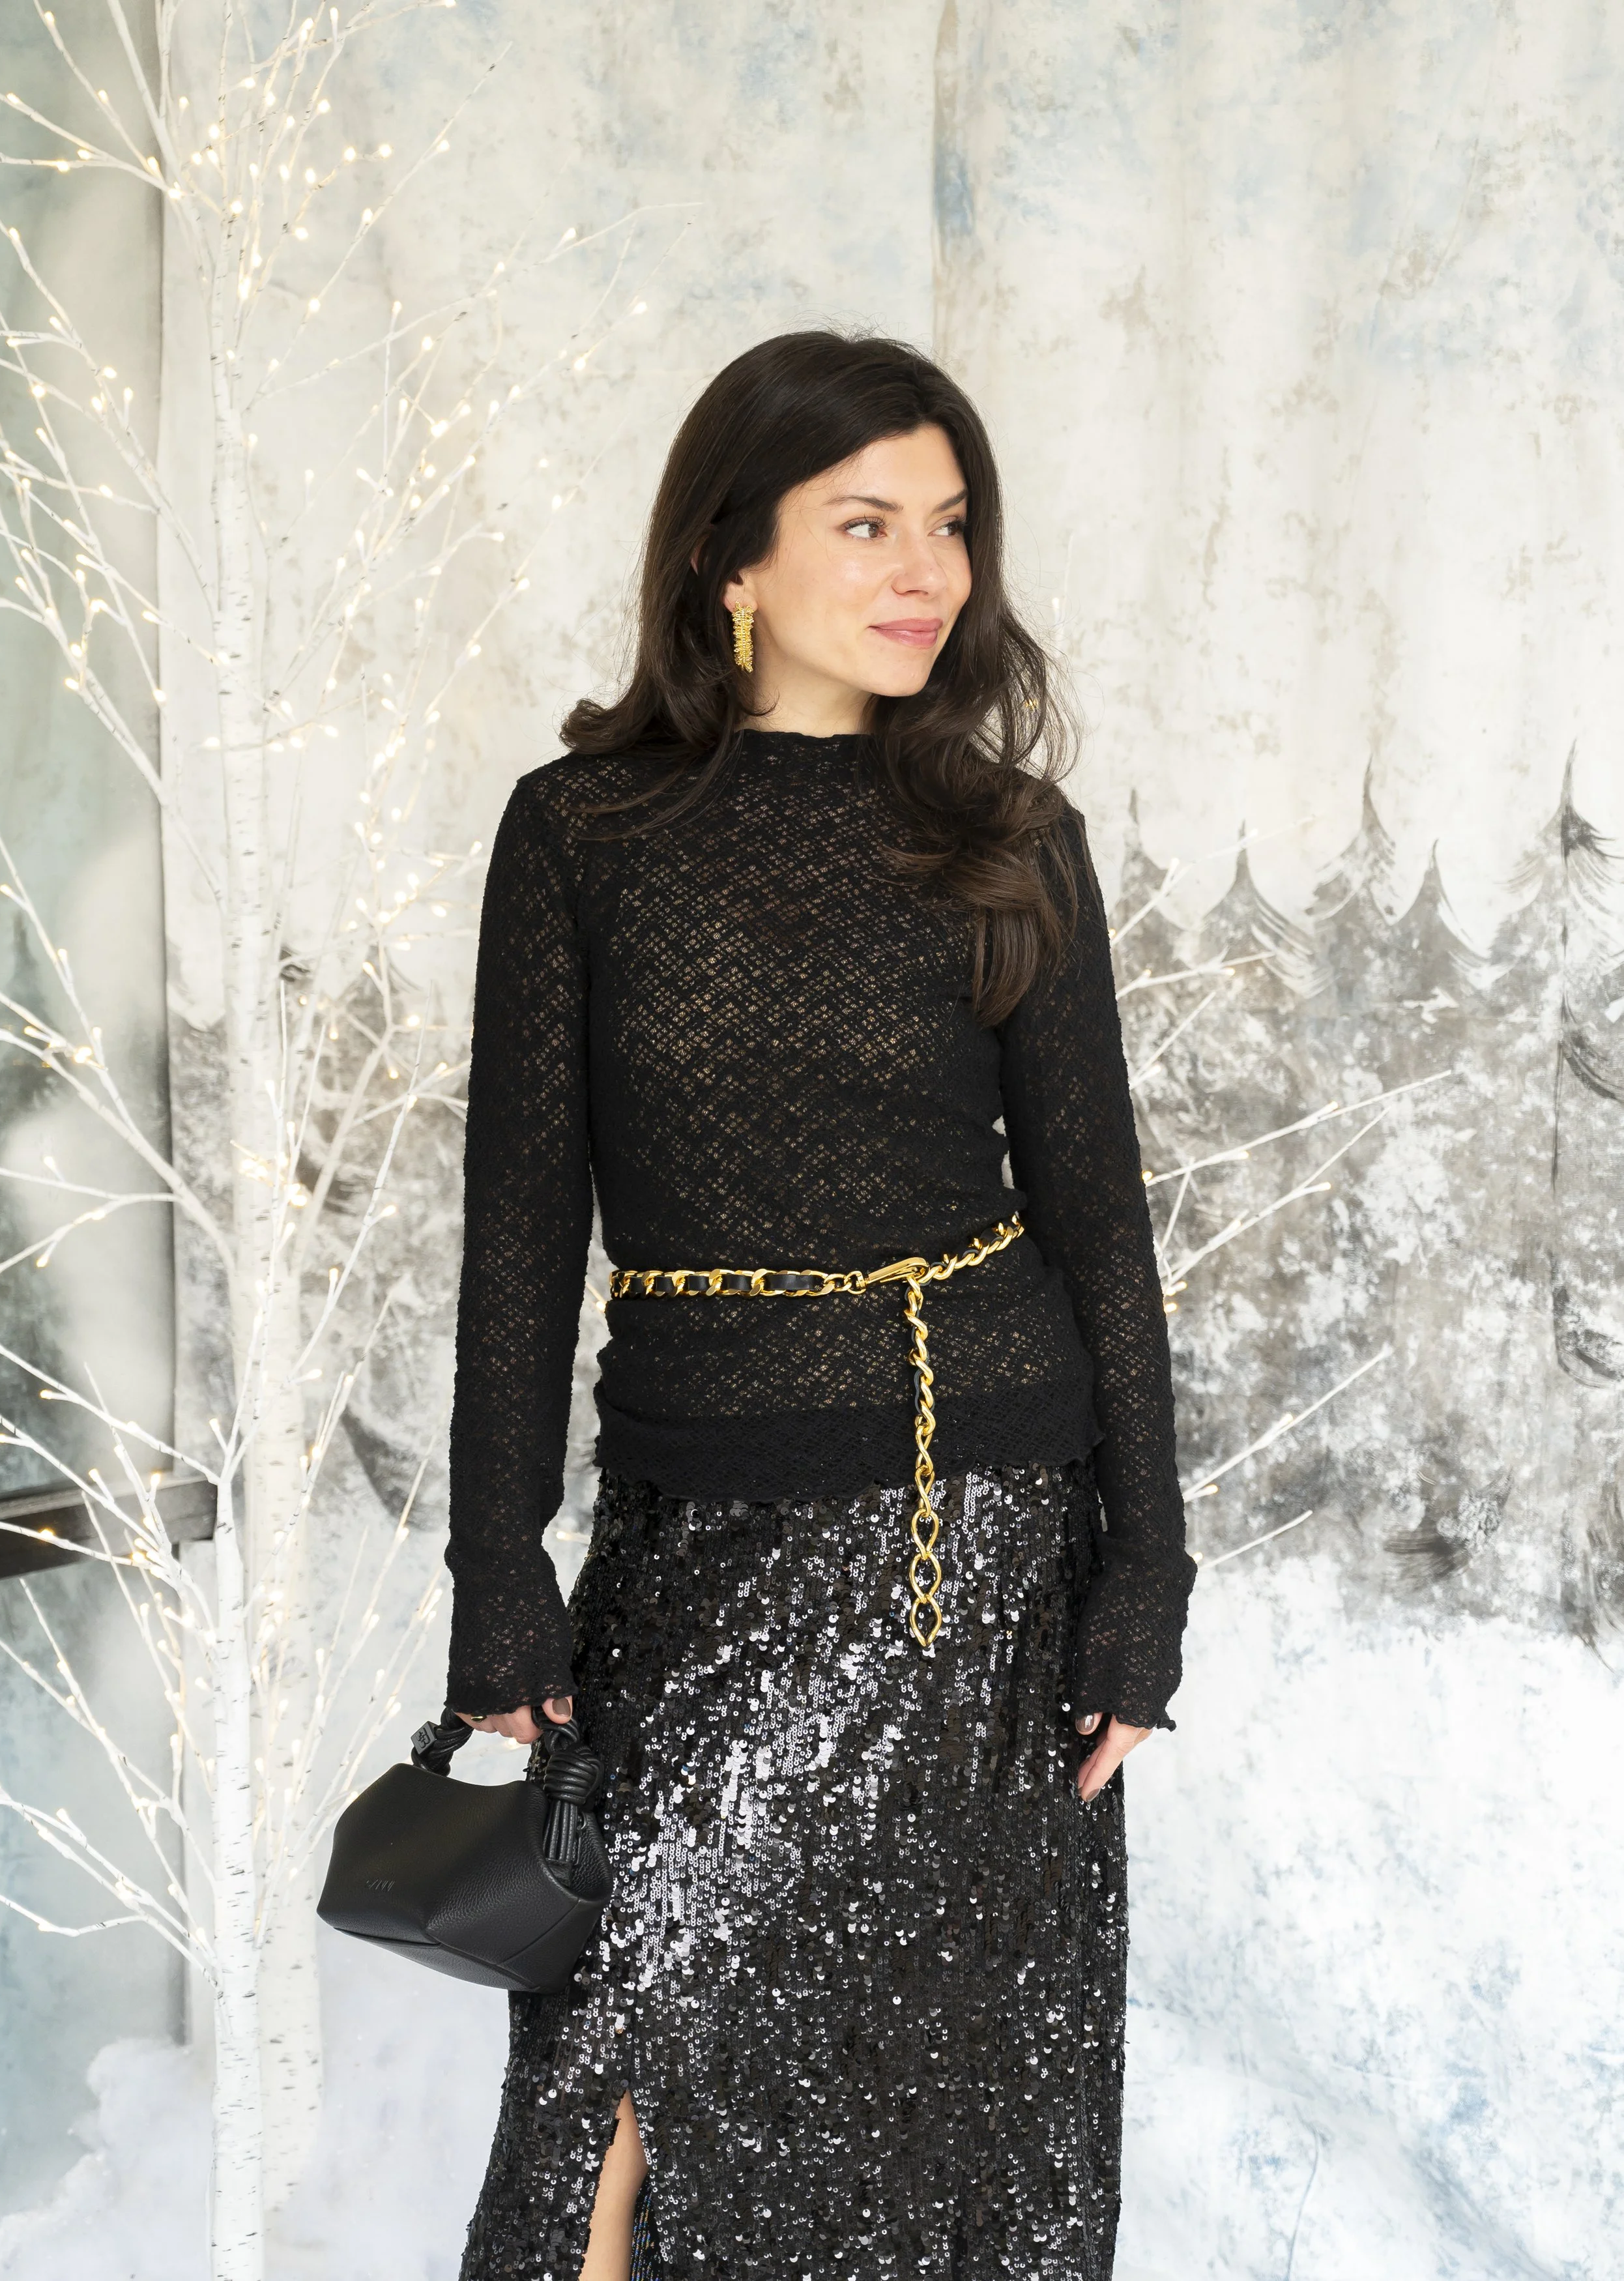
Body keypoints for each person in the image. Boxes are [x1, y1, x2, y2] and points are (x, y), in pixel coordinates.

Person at [445, 330, 1195, 2281]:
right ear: (731, 558)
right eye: (862, 521)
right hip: (697, 1540)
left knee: (937, 2087)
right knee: (619, 2059)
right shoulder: (582, 832)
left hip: (984, 1545)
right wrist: (493, 1570)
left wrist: (1146, 1580)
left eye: (947, 526)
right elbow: (520, 1228)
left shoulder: (1008, 842)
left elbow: (1100, 1226)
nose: (922, 570)